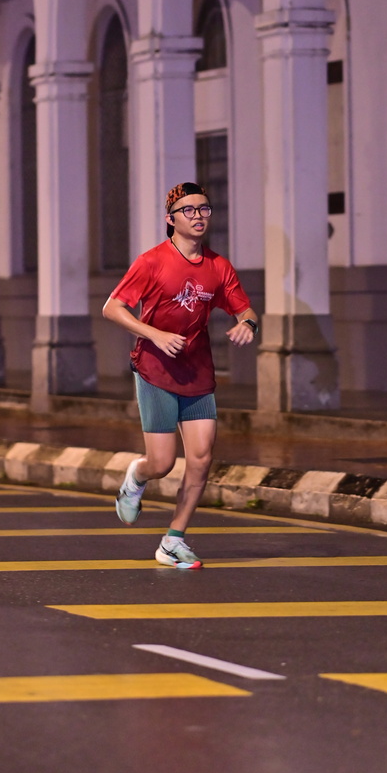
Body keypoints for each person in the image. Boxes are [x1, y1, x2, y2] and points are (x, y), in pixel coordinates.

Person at [102, 182, 258, 569]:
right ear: (170, 219)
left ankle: (173, 541)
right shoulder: (152, 261)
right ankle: (137, 477)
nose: (198, 216)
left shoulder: (218, 266)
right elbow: (112, 308)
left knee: (201, 459)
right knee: (162, 463)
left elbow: (246, 310)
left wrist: (248, 325)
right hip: (155, 368)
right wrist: (154, 334)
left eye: (204, 209)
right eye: (189, 210)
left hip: (197, 371)